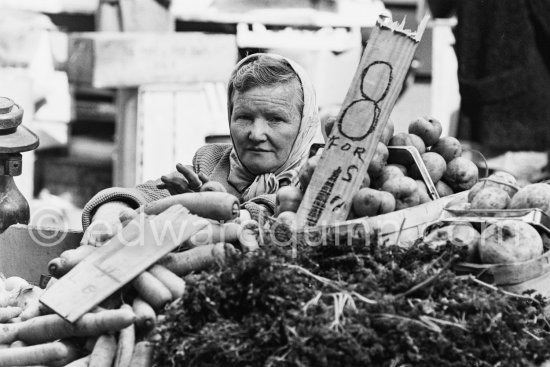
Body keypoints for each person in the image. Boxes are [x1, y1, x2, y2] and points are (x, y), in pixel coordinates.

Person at [81, 53, 321, 246]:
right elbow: (147, 196)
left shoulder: (317, 176)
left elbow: (273, 212)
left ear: (304, 124)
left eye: (275, 119)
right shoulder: (211, 161)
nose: (256, 134)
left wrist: (212, 208)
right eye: (244, 117)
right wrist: (110, 215)